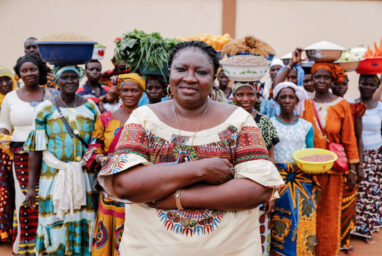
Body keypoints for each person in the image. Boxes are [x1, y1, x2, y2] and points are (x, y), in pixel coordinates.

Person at [98, 41, 284, 255]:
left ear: (213, 79)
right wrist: (201, 169)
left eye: (201, 72)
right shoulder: (144, 118)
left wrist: (175, 199)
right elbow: (124, 184)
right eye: (181, 69)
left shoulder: (238, 120)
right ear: (169, 73)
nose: (190, 78)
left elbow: (258, 189)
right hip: (152, 248)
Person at [24, 65, 99, 255]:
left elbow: (97, 143)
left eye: (73, 77)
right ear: (56, 81)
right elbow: (35, 150)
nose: (70, 82)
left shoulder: (91, 107)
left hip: (85, 177)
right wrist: (31, 187)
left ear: (79, 80)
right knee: (54, 219)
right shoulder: (45, 109)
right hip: (53, 176)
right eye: (64, 77)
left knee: (84, 218)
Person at [0, 54, 57, 255]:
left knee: (48, 197)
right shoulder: (11, 98)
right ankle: (25, 245)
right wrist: (6, 145)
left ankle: (48, 244)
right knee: (25, 199)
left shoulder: (52, 95)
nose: (29, 73)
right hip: (22, 154)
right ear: (19, 74)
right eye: (24, 70)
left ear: (40, 70)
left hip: (49, 154)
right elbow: (4, 129)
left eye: (33, 69)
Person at [301, 63, 359, 256]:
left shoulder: (341, 105)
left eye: (326, 77)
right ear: (312, 80)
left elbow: (349, 138)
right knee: (307, 213)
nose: (322, 81)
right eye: (318, 77)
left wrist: (352, 169)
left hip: (334, 170)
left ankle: (327, 252)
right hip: (307, 169)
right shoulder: (304, 102)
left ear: (332, 80)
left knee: (329, 214)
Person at [87, 73, 144, 256]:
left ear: (140, 93)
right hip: (111, 183)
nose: (129, 94)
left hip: (140, 183)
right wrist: (101, 159)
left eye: (134, 90)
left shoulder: (147, 118)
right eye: (125, 90)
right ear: (119, 91)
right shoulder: (106, 118)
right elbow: (93, 148)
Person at [232, 81, 280, 255]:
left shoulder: (264, 122)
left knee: (259, 230)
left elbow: (270, 158)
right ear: (233, 97)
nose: (246, 99)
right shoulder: (227, 121)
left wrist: (272, 192)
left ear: (256, 96)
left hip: (259, 185)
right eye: (240, 94)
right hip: (232, 187)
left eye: (250, 94)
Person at [269, 82, 317, 256]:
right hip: (278, 179)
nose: (287, 100)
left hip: (302, 179)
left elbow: (310, 152)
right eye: (283, 97)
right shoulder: (269, 124)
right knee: (280, 220)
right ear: (276, 99)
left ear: (297, 100)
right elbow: (267, 156)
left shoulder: (306, 126)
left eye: (291, 97)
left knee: (302, 220)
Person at [332, 74, 366, 252]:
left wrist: (358, 165)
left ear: (347, 86)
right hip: (329, 160)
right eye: (337, 83)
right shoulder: (325, 107)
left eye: (344, 84)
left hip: (348, 161)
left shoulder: (355, 108)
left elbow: (358, 138)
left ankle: (344, 241)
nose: (340, 87)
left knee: (347, 203)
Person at [351, 74, 382, 244]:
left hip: (376, 156)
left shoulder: (380, 108)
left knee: (372, 194)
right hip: (357, 156)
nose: (367, 87)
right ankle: (353, 229)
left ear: (376, 87)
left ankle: (366, 230)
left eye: (371, 84)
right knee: (357, 193)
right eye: (364, 83)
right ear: (359, 84)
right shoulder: (352, 105)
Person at [0, 66, 16, 243]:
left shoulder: (15, 99)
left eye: (7, 80)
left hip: (15, 152)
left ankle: (13, 231)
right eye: (0, 81)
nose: (4, 84)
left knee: (14, 191)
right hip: (2, 154)